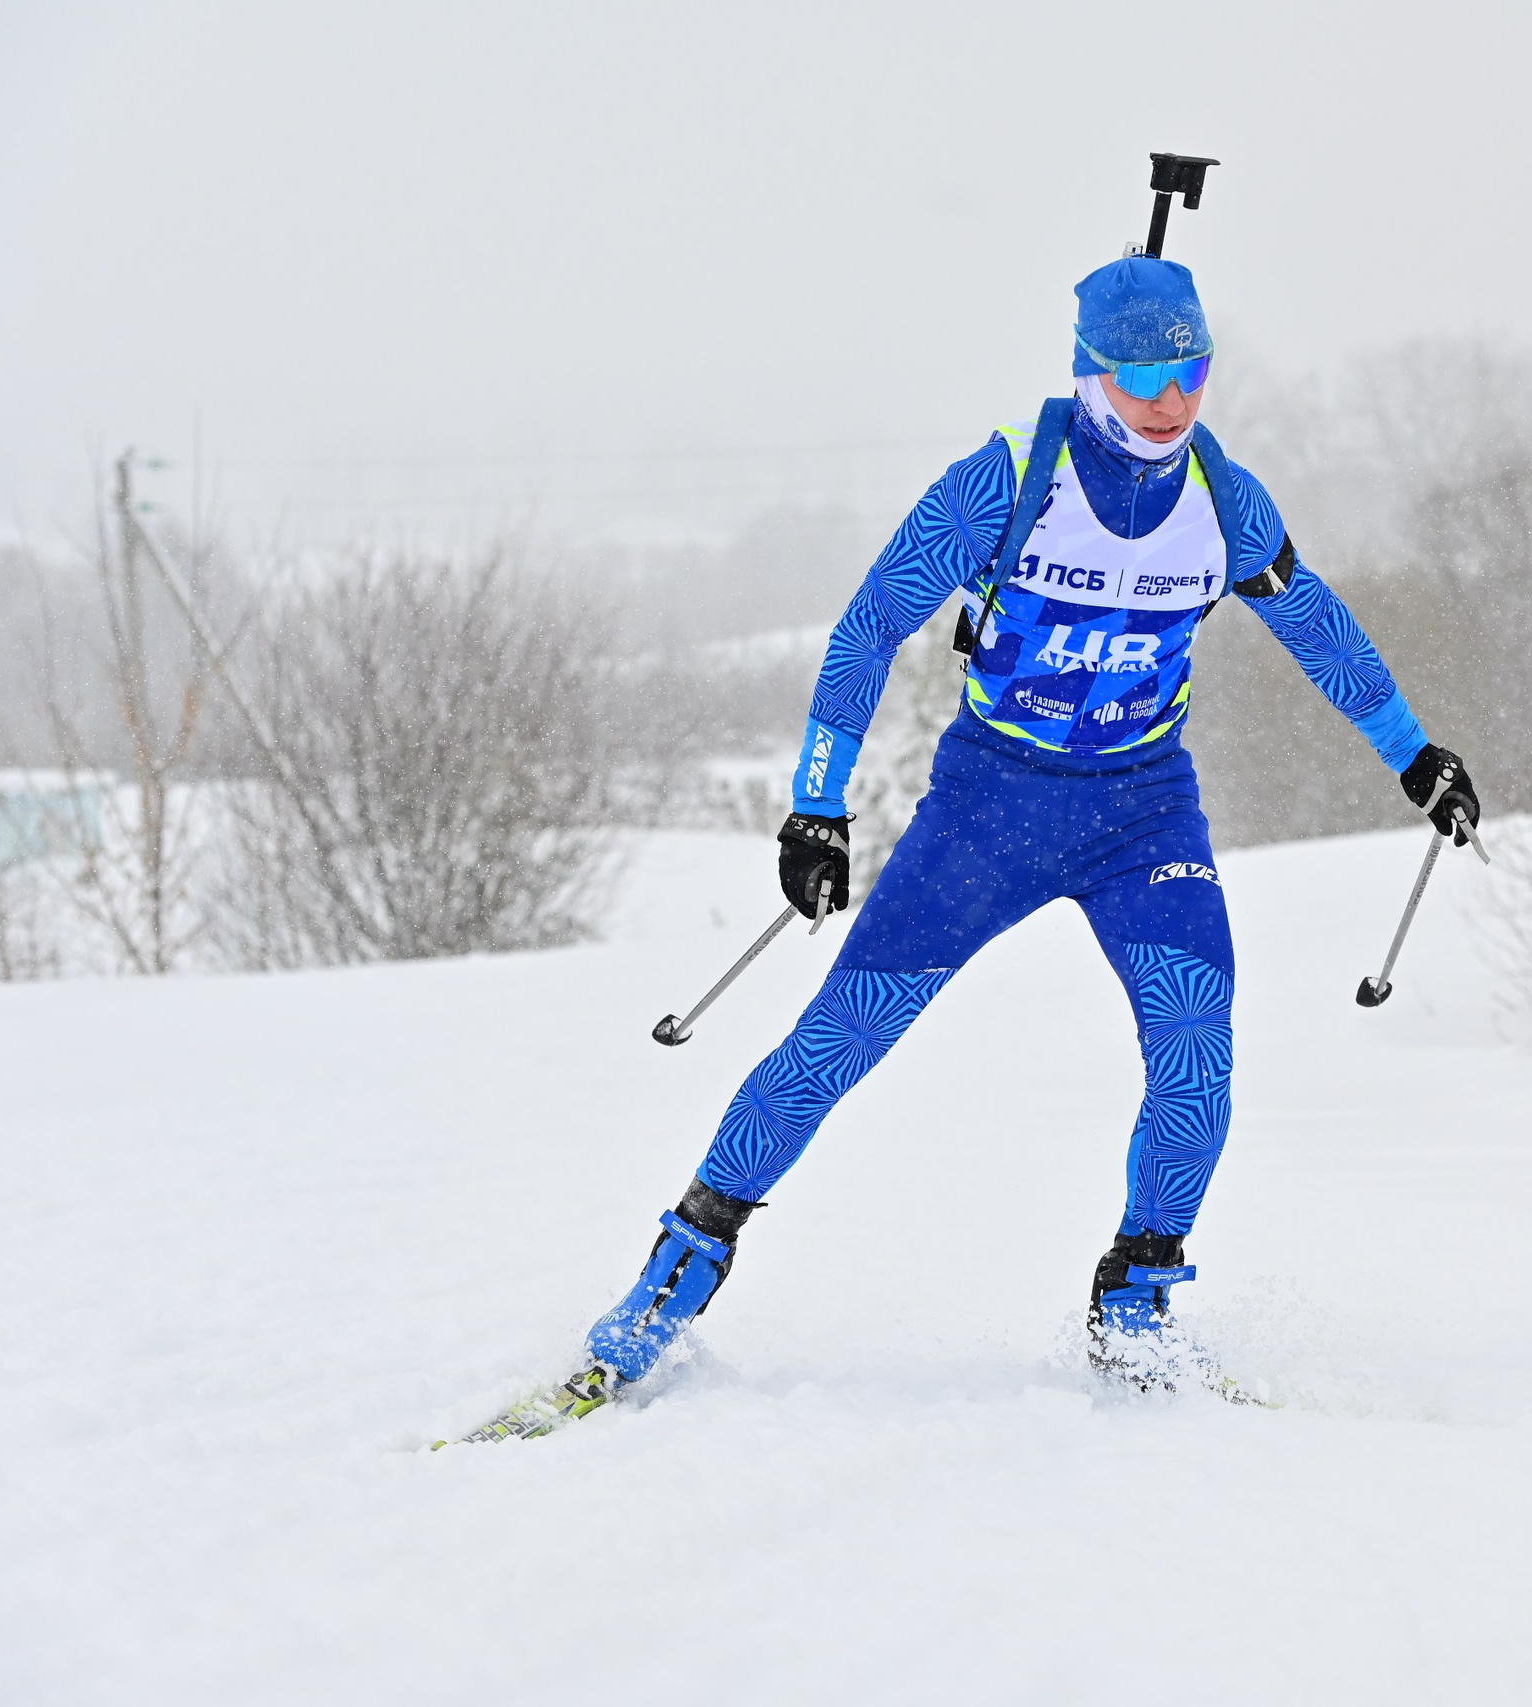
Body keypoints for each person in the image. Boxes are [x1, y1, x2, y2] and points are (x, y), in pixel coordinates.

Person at [457, 255, 1479, 1440]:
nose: (1169, 396)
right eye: (1143, 369)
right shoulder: (1006, 478)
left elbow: (1319, 627)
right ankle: (665, 1288)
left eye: (1191, 367)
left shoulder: (1225, 498)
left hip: (1144, 813)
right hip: (988, 808)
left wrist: (1415, 755)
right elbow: (868, 626)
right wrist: (816, 808)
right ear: (1092, 370)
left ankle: (1136, 1310)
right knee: (838, 1043)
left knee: (1197, 1047)